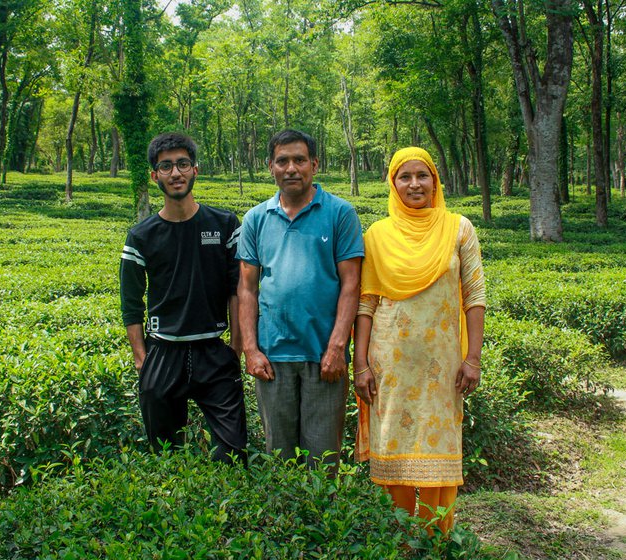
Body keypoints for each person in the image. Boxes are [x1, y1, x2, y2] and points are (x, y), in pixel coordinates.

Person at [353, 146, 486, 535]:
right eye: (405, 176)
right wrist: (360, 363)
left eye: (422, 175)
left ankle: (434, 541)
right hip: (388, 368)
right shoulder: (377, 235)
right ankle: (399, 543)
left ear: (435, 181)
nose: (414, 184)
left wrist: (473, 358)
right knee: (393, 454)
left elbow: (474, 296)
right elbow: (366, 303)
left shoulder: (459, 228)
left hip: (442, 369)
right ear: (392, 184)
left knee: (437, 457)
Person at [237, 129, 363, 468]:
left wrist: (338, 346)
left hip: (324, 357)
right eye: (282, 161)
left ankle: (321, 520)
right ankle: (285, 521)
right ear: (270, 167)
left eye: (299, 160)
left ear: (314, 164)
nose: (291, 168)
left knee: (322, 460)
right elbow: (247, 289)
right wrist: (250, 349)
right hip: (272, 357)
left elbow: (351, 285)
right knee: (279, 457)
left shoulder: (340, 214)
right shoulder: (256, 219)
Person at [120, 132, 247, 465]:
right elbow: (131, 302)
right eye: (165, 166)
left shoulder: (224, 224)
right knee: (165, 457)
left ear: (195, 170)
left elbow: (238, 289)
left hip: (213, 352)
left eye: (182, 164)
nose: (175, 173)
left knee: (232, 454)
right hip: (163, 351)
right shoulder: (141, 236)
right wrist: (141, 358)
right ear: (155, 175)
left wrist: (235, 346)